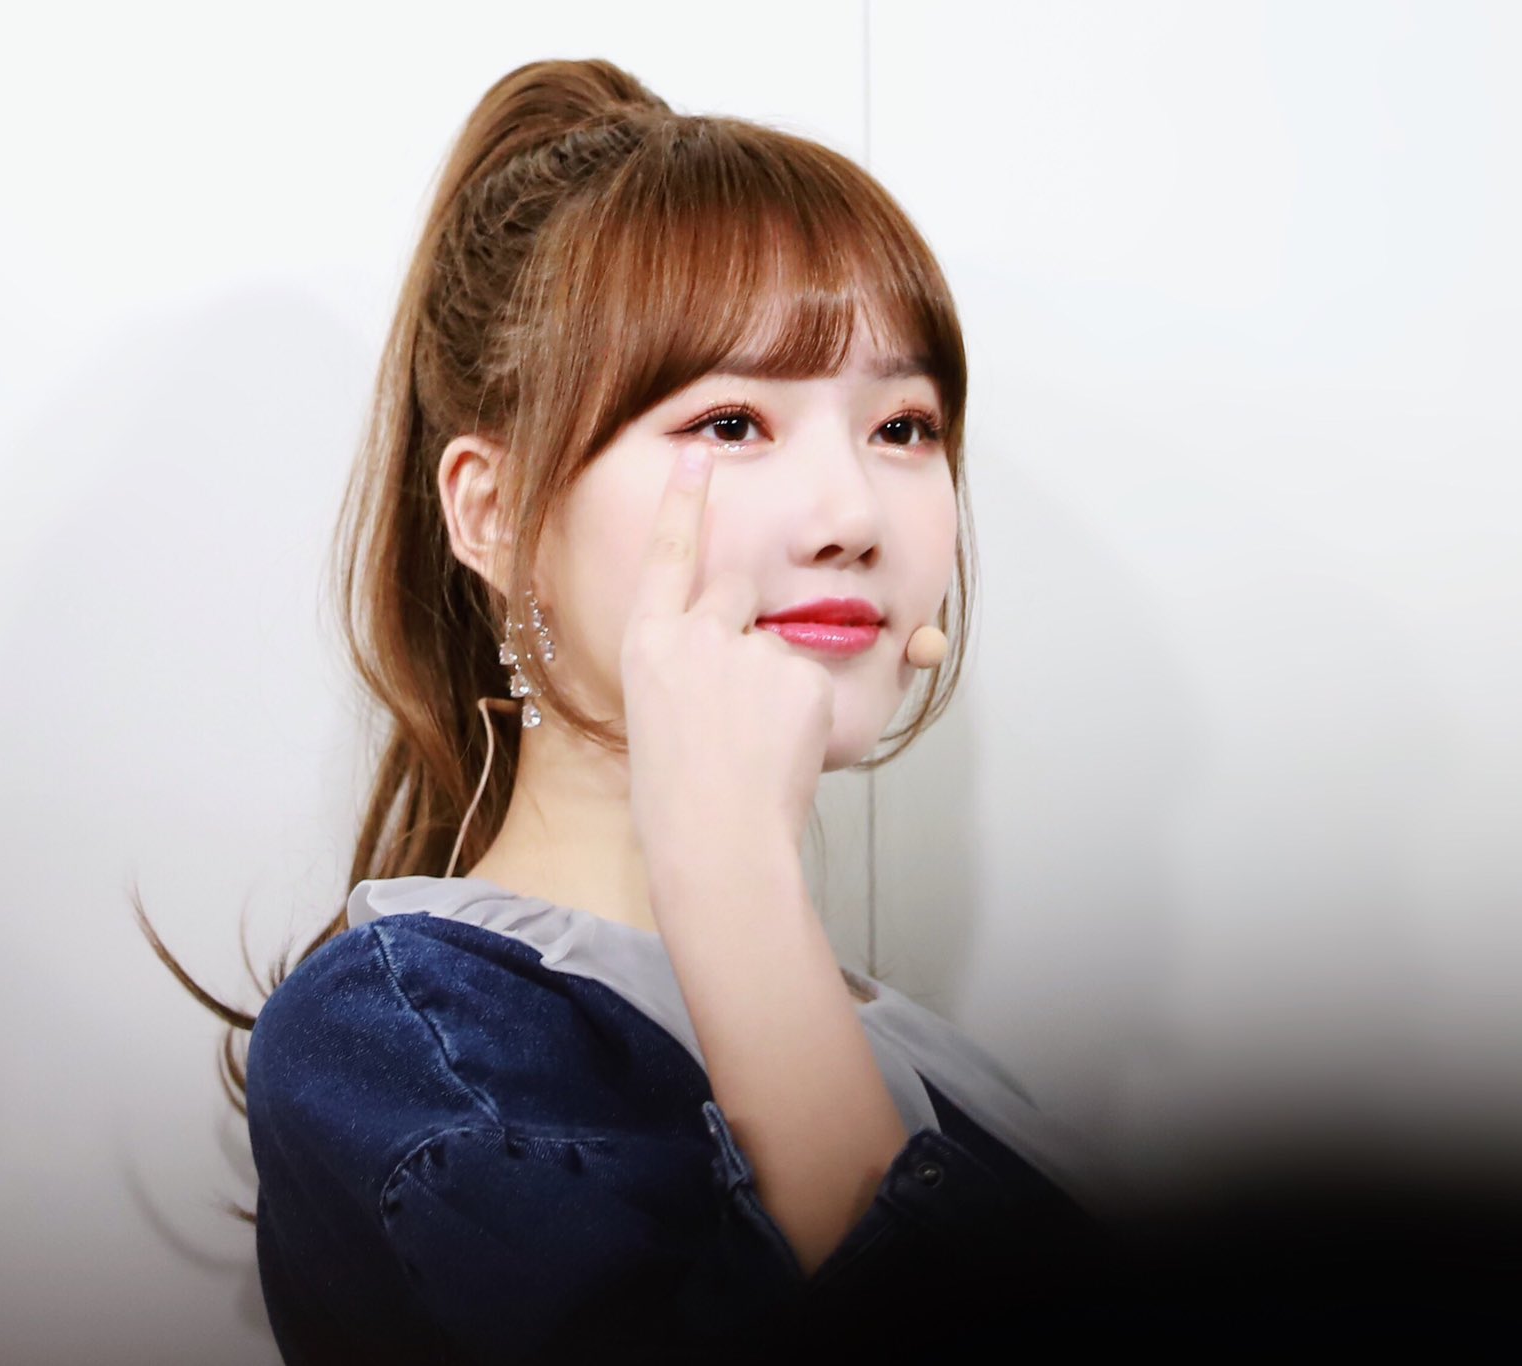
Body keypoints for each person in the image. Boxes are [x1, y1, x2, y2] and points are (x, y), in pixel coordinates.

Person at [138, 57, 1135, 1363]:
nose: (850, 515)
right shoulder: (404, 1038)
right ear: (494, 512)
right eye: (731, 422)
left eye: (902, 426)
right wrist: (728, 872)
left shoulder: (883, 1031)